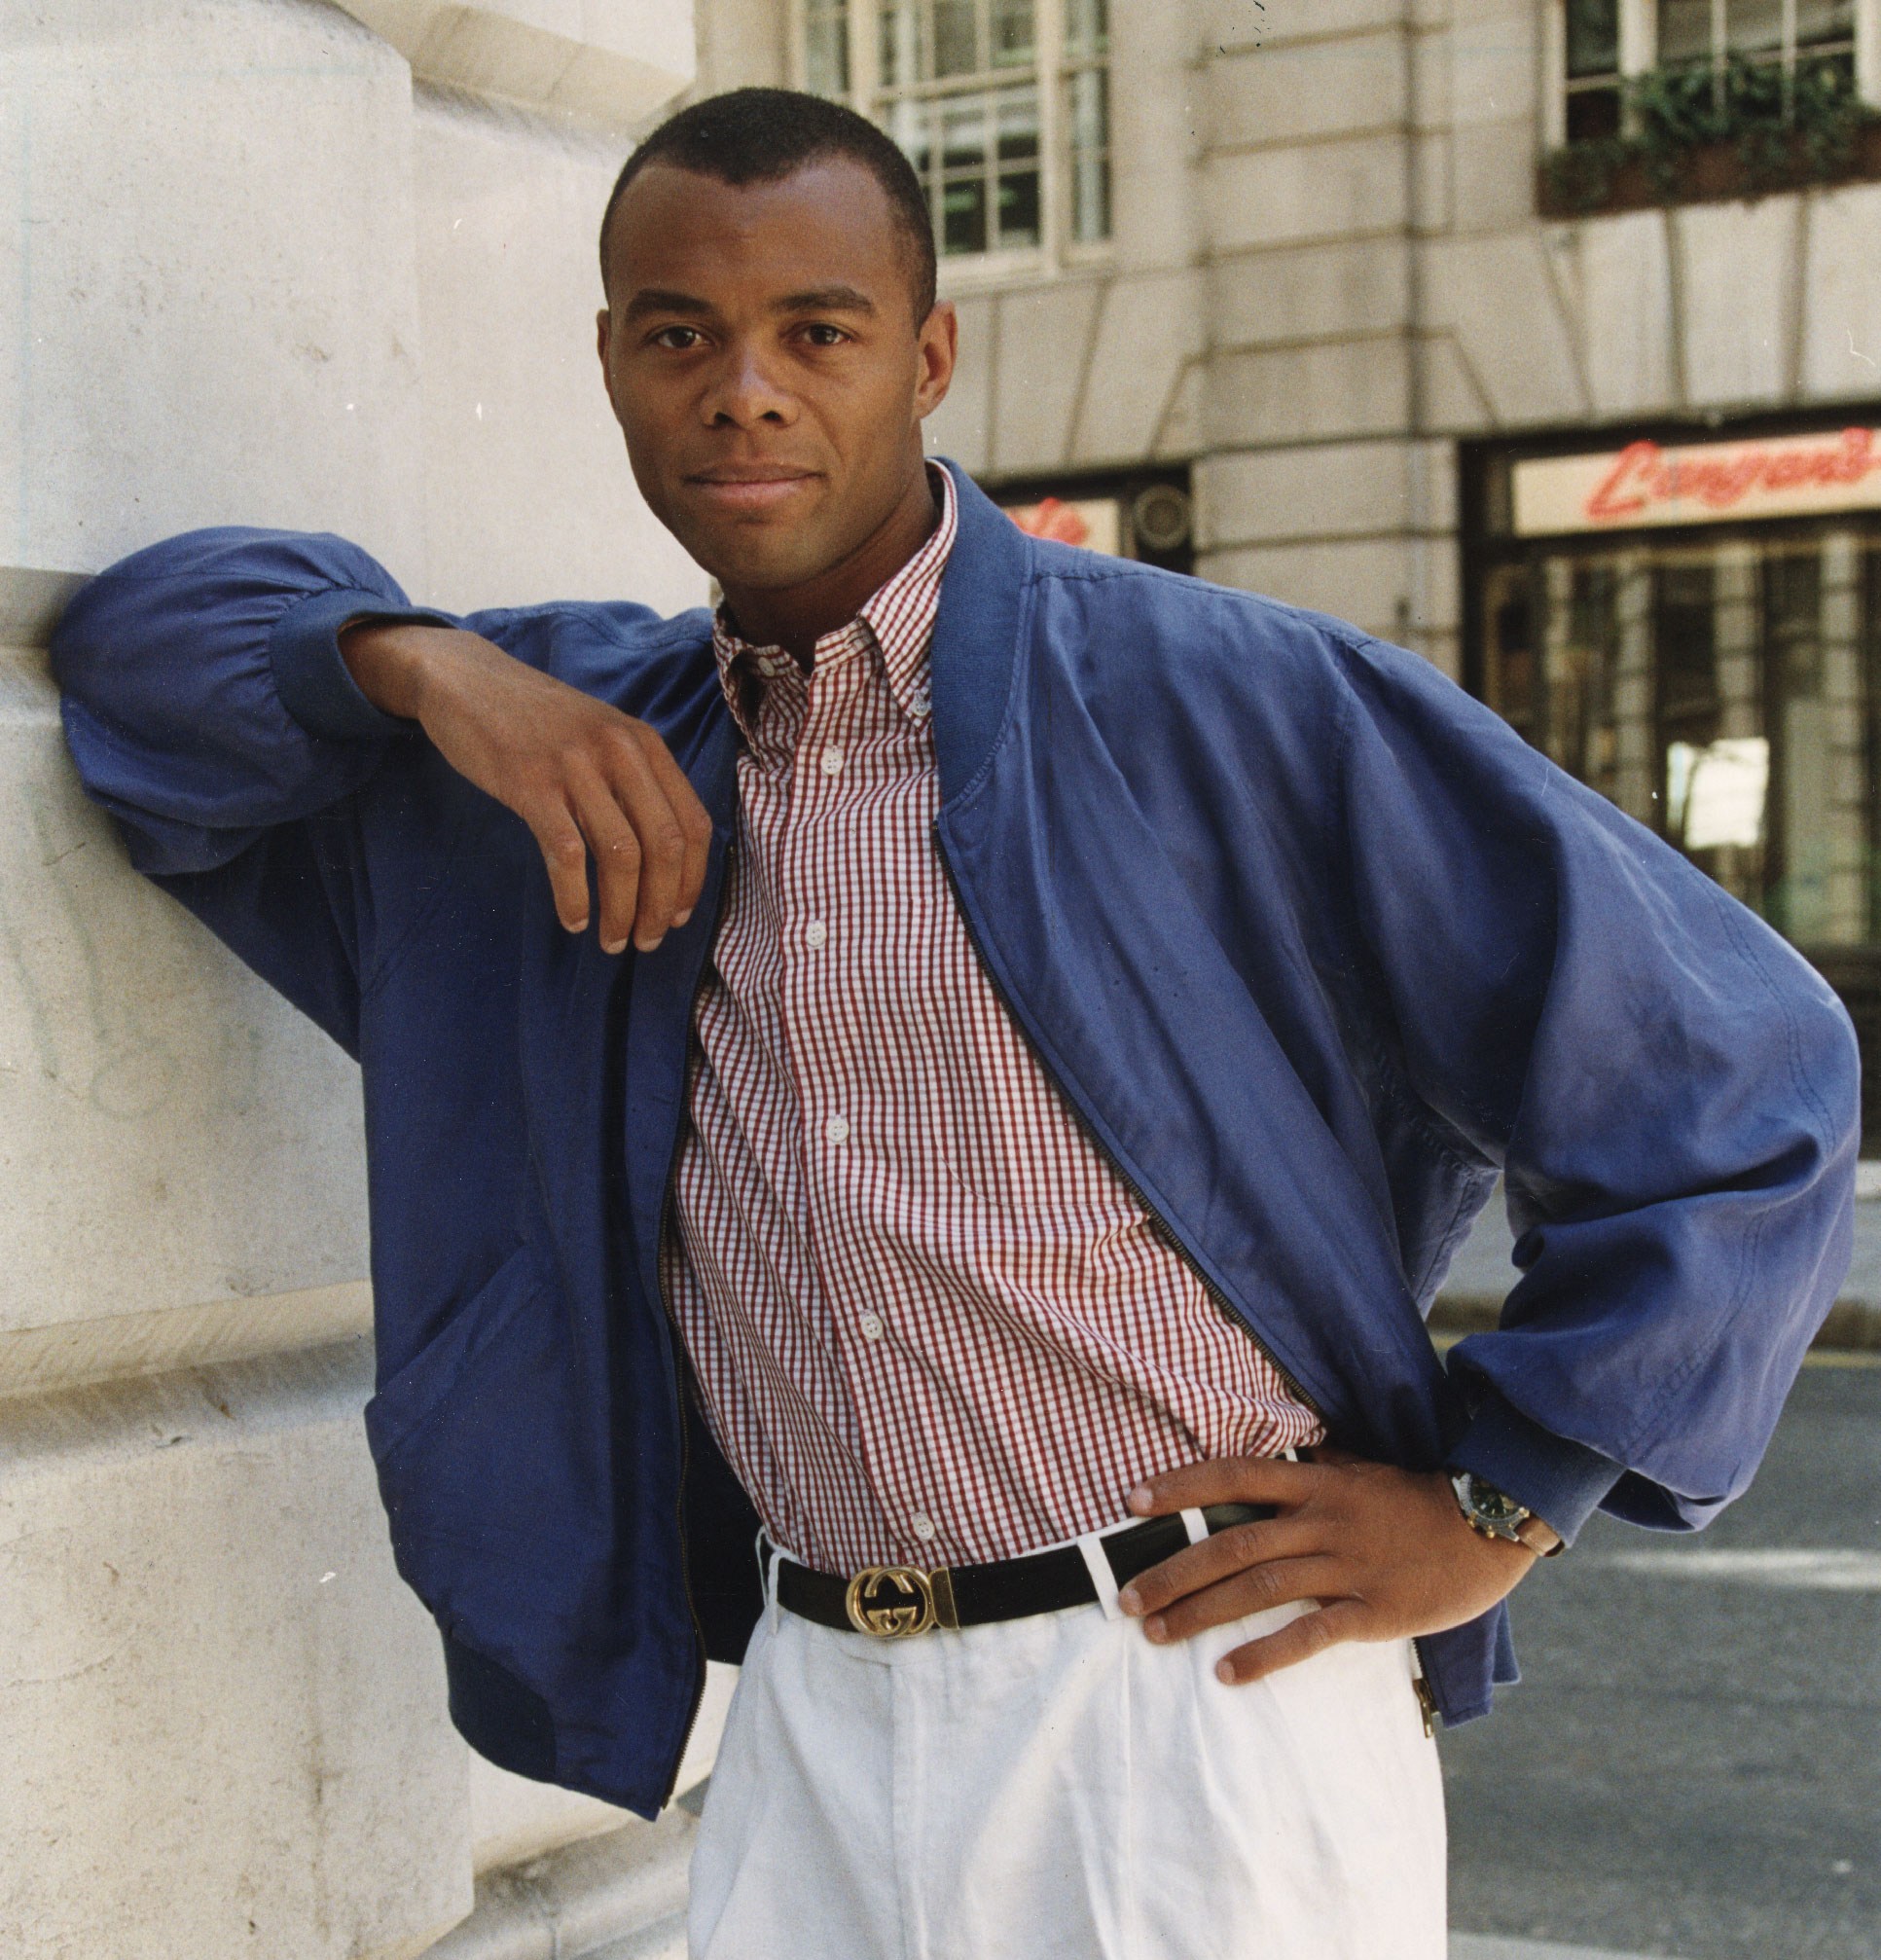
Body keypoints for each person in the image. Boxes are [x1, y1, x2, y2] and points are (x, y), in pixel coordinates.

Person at [53, 87, 1856, 1960]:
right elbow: (135, 653)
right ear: (607, 362)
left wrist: (1503, 1494)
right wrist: (426, 671)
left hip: (1195, 1716)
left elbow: (1739, 1074)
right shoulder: (571, 750)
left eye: (813, 333)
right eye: (680, 334)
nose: (742, 391)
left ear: (925, 356)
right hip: (818, 1710)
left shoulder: (1221, 699)